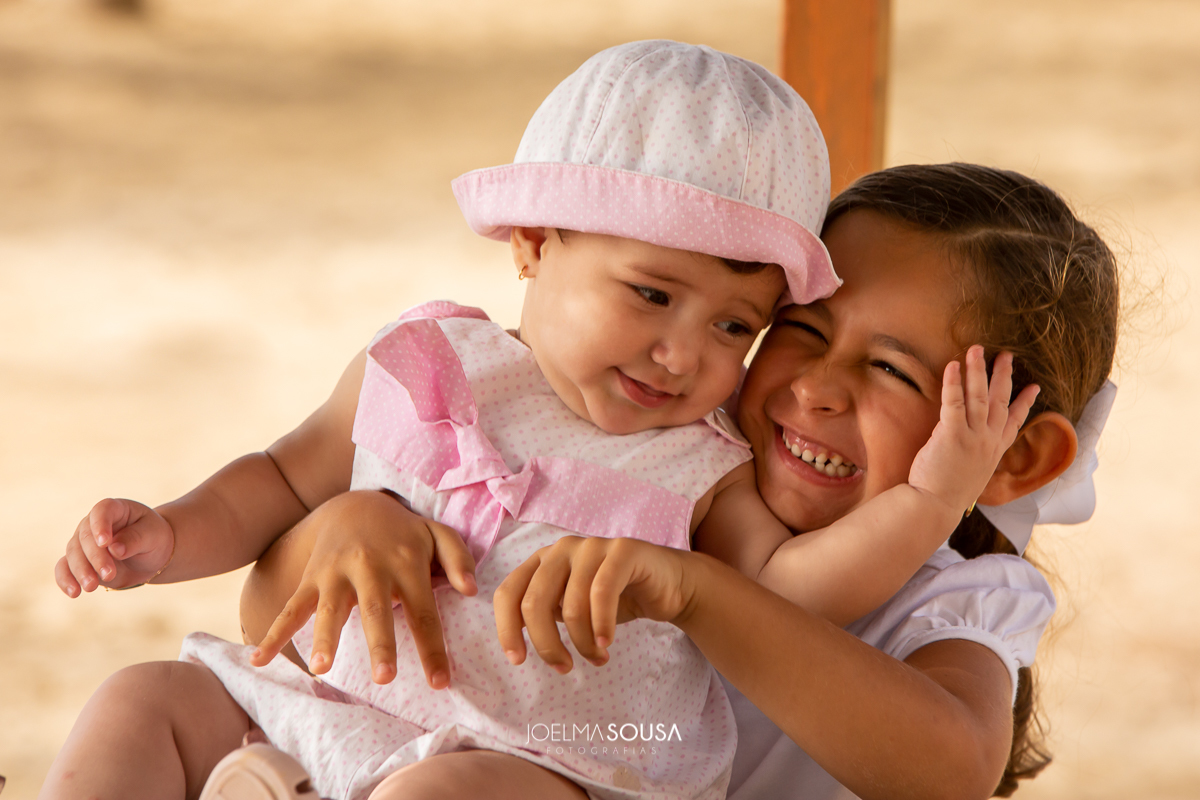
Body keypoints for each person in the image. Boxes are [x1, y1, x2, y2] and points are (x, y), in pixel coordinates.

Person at [42, 44, 1030, 800]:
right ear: (534, 243)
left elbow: (799, 591)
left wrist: (933, 495)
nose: (684, 352)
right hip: (332, 708)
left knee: (448, 793)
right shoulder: (425, 363)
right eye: (649, 294)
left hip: (541, 766)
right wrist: (168, 533)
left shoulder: (704, 465)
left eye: (734, 324)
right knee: (144, 700)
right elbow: (282, 476)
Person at [488, 163, 1120, 799]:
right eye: (802, 329)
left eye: (891, 370)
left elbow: (953, 773)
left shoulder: (948, 606)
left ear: (1013, 457)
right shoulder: (656, 457)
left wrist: (697, 594)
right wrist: (385, 511)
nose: (815, 388)